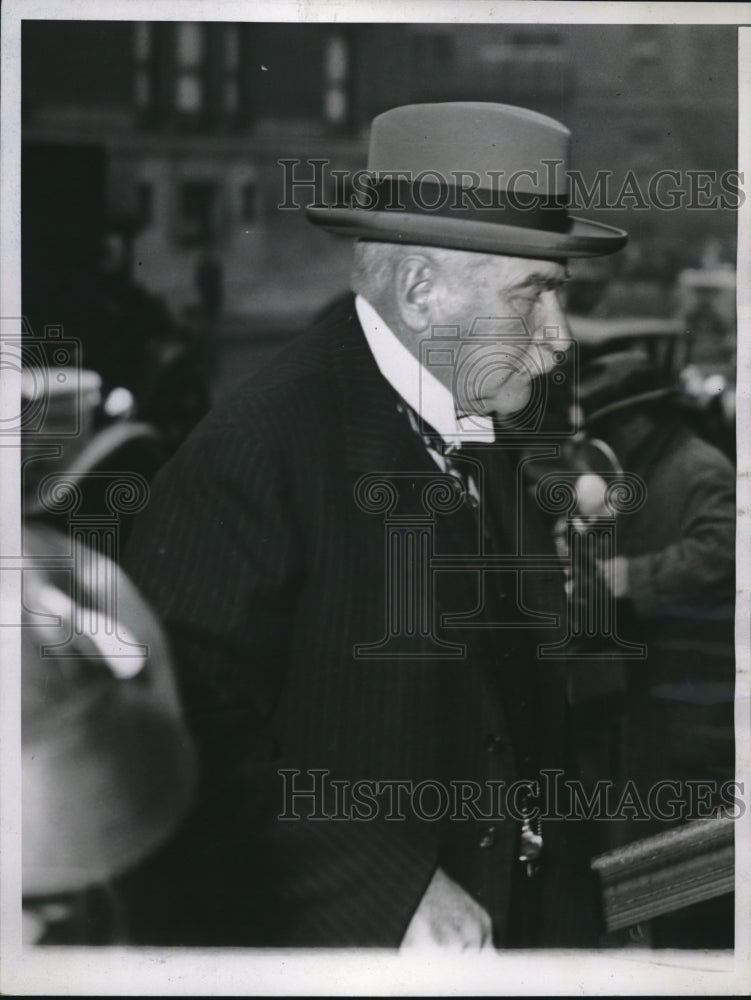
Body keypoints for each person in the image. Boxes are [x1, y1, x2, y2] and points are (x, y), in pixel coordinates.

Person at [118, 103, 628, 949]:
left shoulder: (483, 428)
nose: (558, 339)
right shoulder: (251, 454)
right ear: (421, 292)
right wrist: (385, 895)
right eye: (532, 296)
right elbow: (165, 745)